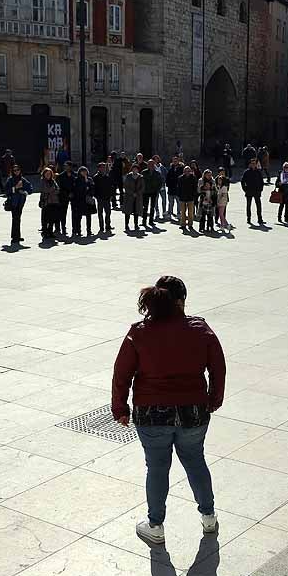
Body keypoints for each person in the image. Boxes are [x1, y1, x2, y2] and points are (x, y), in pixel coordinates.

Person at [112, 276, 225, 544]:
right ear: (182, 301)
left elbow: (121, 373)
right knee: (195, 461)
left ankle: (155, 525)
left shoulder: (139, 332)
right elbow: (218, 367)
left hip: (151, 414)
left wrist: (120, 407)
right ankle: (208, 517)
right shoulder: (200, 329)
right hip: (193, 411)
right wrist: (214, 398)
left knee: (157, 467)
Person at [3, 165, 32, 245]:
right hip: (13, 202)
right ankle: (14, 237)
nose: (16, 171)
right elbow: (6, 191)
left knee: (17, 219)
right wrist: (15, 188)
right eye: (14, 170)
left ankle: (17, 236)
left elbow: (30, 189)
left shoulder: (23, 179)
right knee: (15, 218)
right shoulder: (10, 180)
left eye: (18, 170)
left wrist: (24, 192)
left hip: (21, 202)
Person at [39, 167, 62, 239]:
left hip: (54, 201)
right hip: (46, 202)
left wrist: (52, 190)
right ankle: (45, 232)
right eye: (46, 174)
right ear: (44, 174)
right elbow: (45, 190)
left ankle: (50, 232)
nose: (48, 175)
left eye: (49, 173)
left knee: (52, 218)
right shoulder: (42, 181)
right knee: (45, 219)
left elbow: (58, 190)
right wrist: (52, 190)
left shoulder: (53, 181)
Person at [72, 165, 95, 237]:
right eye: (82, 171)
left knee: (89, 216)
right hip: (80, 200)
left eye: (85, 171)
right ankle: (78, 231)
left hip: (87, 200)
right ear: (80, 172)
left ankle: (89, 230)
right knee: (79, 216)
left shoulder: (90, 179)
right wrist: (85, 185)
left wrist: (87, 183)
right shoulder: (77, 180)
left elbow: (92, 188)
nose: (84, 173)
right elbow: (78, 189)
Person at [122, 161, 145, 231]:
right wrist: (132, 193)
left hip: (137, 197)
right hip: (129, 197)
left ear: (138, 170)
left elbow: (143, 187)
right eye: (134, 169)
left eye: (136, 169)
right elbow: (126, 186)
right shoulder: (128, 176)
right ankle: (126, 225)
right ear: (132, 169)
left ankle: (136, 224)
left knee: (136, 211)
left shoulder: (141, 177)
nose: (135, 170)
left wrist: (138, 193)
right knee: (128, 212)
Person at [241, 158, 264, 226]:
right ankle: (249, 218)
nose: (253, 165)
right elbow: (242, 181)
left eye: (255, 163)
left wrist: (261, 189)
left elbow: (261, 181)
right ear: (250, 164)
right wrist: (245, 189)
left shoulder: (258, 172)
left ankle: (260, 219)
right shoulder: (246, 172)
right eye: (252, 163)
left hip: (257, 191)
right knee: (248, 205)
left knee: (258, 205)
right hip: (249, 191)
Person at [176, 163, 198, 231]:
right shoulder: (180, 178)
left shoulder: (193, 178)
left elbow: (195, 187)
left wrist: (194, 195)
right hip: (182, 197)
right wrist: (179, 195)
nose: (187, 172)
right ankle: (183, 224)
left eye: (188, 171)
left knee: (190, 212)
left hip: (190, 197)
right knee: (182, 212)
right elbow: (178, 187)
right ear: (183, 171)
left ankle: (190, 224)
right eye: (186, 171)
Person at [92, 162, 113, 232]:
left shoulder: (107, 176)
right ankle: (101, 227)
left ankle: (108, 226)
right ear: (99, 168)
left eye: (104, 167)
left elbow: (111, 187)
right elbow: (94, 188)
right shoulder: (96, 177)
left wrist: (111, 195)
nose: (103, 168)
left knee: (108, 213)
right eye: (102, 167)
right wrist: (96, 196)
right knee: (100, 214)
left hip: (107, 198)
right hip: (100, 198)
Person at [143, 158, 162, 227]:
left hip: (154, 192)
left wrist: (157, 189)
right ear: (147, 165)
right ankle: (144, 221)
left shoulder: (157, 173)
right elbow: (141, 182)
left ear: (154, 165)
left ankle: (151, 221)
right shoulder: (144, 172)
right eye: (149, 164)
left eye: (152, 164)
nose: (150, 165)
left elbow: (160, 182)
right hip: (145, 192)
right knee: (145, 207)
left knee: (152, 207)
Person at [57, 162, 74, 236]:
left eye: (67, 166)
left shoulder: (75, 175)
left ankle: (75, 229)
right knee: (63, 213)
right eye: (65, 166)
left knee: (75, 213)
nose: (65, 167)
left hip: (73, 196)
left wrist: (72, 192)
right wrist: (67, 193)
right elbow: (59, 187)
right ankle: (63, 228)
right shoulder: (61, 176)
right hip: (64, 196)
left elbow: (76, 185)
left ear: (70, 167)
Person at [215, 167, 231, 231]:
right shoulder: (218, 186)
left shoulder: (224, 187)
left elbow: (223, 195)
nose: (219, 181)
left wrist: (219, 200)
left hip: (222, 202)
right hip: (219, 201)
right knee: (220, 214)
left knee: (221, 214)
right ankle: (225, 225)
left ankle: (224, 225)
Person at [153, 155, 169, 219]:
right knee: (155, 200)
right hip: (155, 187)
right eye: (155, 159)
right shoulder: (152, 167)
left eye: (157, 159)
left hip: (162, 186)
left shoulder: (162, 167)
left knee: (164, 199)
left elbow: (166, 175)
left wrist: (164, 182)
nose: (156, 160)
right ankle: (157, 212)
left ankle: (164, 212)